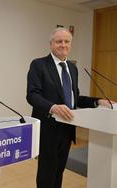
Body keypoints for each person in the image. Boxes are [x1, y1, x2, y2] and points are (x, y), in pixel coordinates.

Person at [26, 27, 113, 188]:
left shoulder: (72, 68)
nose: (63, 45)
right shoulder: (39, 65)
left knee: (59, 172)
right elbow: (32, 95)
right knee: (47, 173)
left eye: (67, 41)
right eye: (59, 41)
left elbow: (74, 98)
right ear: (51, 44)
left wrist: (98, 101)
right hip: (48, 130)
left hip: (67, 129)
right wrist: (52, 107)